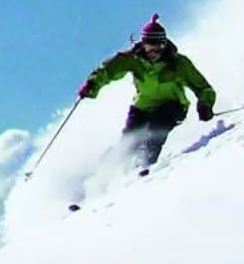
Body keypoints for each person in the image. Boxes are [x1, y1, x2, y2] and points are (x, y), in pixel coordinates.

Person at [78, 16, 217, 170]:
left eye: (158, 47)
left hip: (173, 105)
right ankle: (104, 171)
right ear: (143, 45)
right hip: (142, 107)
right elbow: (107, 70)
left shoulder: (178, 63)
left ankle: (145, 162)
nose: (154, 52)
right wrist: (92, 84)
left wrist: (205, 104)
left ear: (164, 45)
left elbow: (203, 87)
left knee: (157, 125)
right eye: (150, 47)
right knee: (128, 143)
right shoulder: (132, 59)